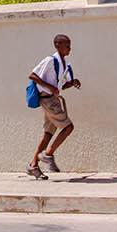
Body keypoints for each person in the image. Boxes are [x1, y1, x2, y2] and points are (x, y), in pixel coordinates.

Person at [26, 34, 81, 179]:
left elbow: (59, 86)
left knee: (47, 134)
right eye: (66, 45)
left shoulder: (64, 63)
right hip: (48, 100)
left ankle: (33, 166)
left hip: (52, 99)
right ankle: (47, 154)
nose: (69, 48)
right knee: (68, 127)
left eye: (69, 45)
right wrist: (51, 87)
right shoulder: (50, 60)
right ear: (58, 45)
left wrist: (72, 83)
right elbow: (32, 75)